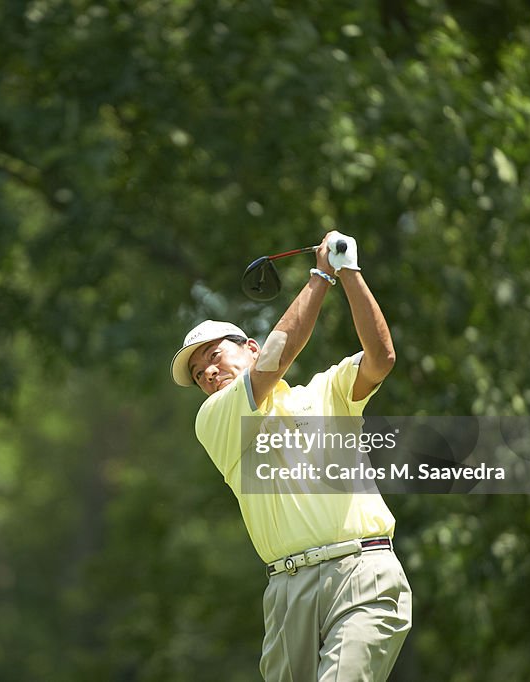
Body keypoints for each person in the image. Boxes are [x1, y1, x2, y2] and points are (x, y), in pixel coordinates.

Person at [169, 231, 412, 681]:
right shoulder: (214, 419)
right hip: (286, 592)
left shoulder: (327, 391)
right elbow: (276, 362)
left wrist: (349, 272)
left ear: (250, 348)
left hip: (361, 572)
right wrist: (321, 275)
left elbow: (381, 358)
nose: (207, 373)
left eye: (214, 357)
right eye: (199, 373)